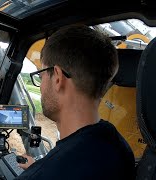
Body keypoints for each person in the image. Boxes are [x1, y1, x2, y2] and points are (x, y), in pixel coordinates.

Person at [15, 25, 135, 180]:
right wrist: (40, 166)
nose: (41, 86)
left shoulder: (43, 174)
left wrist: (38, 170)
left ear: (57, 77)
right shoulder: (120, 148)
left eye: (41, 75)